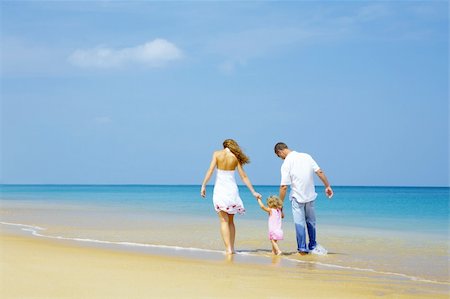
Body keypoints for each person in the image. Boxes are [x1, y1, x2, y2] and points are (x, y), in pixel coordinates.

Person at [201, 139, 262, 254]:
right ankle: (232, 249)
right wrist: (253, 191)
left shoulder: (217, 154)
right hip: (231, 190)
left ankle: (227, 249)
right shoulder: (235, 157)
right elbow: (243, 176)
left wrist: (203, 185)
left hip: (220, 190)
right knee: (231, 221)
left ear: (224, 146)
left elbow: (210, 170)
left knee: (223, 221)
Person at [274, 142, 334, 255]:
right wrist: (327, 186)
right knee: (311, 222)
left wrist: (280, 204)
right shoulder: (307, 156)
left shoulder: (286, 163)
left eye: (279, 156)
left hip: (297, 197)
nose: (281, 158)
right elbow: (319, 172)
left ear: (279, 151)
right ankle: (312, 246)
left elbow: (283, 186)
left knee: (299, 223)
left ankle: (302, 249)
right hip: (310, 196)